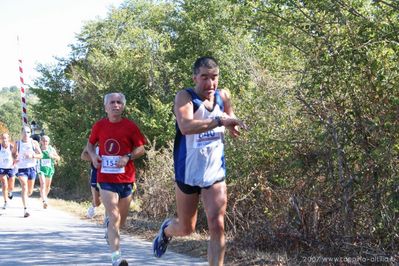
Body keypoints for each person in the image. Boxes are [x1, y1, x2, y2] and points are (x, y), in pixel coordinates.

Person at [152, 56, 247, 266]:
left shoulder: (223, 95)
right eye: (204, 77)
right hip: (188, 172)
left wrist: (233, 124)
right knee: (187, 228)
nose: (210, 83)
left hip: (214, 172)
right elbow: (186, 126)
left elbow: (229, 114)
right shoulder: (185, 97)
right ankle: (167, 230)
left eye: (214, 77)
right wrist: (220, 121)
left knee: (217, 224)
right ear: (195, 77)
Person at [86, 92, 146, 266]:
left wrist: (127, 156)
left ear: (123, 106)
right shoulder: (99, 126)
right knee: (113, 215)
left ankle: (109, 231)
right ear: (106, 107)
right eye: (112, 102)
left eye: (119, 102)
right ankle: (116, 258)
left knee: (120, 221)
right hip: (105, 178)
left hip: (126, 178)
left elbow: (141, 148)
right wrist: (92, 155)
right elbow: (90, 145)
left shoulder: (130, 126)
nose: (116, 105)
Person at [12, 126, 43, 217]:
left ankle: (26, 197)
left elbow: (41, 155)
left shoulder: (34, 143)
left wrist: (32, 156)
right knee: (24, 186)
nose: (26, 134)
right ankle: (26, 209)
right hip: (21, 168)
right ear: (21, 133)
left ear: (30, 133)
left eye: (28, 132)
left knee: (29, 191)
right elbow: (13, 154)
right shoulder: (17, 143)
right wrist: (15, 158)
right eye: (25, 132)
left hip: (32, 168)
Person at [38, 135, 60, 209]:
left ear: (48, 142)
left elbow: (58, 158)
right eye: (43, 140)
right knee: (43, 184)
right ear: (41, 141)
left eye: (46, 141)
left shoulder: (51, 149)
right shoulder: (39, 149)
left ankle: (44, 197)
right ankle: (44, 201)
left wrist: (52, 156)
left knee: (47, 187)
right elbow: (35, 155)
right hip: (41, 169)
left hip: (50, 169)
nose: (45, 142)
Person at [81, 145, 101, 219]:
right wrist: (94, 158)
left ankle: (108, 219)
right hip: (96, 173)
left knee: (108, 195)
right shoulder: (93, 144)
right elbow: (83, 156)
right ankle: (93, 206)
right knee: (97, 201)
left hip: (108, 173)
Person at [0, 133, 16, 209]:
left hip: (10, 167)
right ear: (1, 139)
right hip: (1, 168)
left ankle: (10, 192)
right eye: (3, 138)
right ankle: (6, 202)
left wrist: (15, 161)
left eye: (5, 138)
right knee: (4, 184)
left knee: (11, 186)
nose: (4, 140)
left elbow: (16, 155)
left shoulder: (11, 146)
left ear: (8, 138)